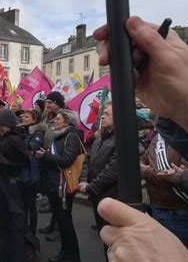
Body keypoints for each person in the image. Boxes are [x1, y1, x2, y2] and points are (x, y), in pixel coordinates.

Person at [94, 16, 188, 261]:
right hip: (158, 204)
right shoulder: (164, 130)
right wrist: (182, 107)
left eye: (107, 113)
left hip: (178, 209)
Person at [140, 118, 188, 254]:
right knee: (161, 252)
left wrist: (147, 171)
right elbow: (142, 160)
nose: (154, 122)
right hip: (157, 205)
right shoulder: (157, 138)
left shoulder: (185, 137)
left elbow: (178, 175)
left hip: (179, 210)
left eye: (156, 117)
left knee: (178, 253)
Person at [0, 109, 29, 262]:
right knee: (10, 229)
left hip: (6, 190)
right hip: (8, 189)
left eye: (1, 125)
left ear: (9, 125)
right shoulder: (14, 138)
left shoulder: (12, 141)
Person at [35, 109, 81, 262]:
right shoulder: (60, 135)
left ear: (67, 122)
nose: (55, 120)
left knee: (65, 221)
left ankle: (71, 254)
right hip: (55, 183)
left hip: (64, 184)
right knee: (62, 221)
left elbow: (67, 160)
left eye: (59, 119)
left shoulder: (71, 136)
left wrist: (46, 155)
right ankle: (66, 252)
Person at [78, 103, 117, 259]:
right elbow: (88, 160)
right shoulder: (100, 136)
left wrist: (91, 187)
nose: (102, 116)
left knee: (114, 240)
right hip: (97, 196)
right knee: (104, 237)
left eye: (107, 113)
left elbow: (113, 169)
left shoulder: (123, 138)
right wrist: (83, 181)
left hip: (113, 196)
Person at [39, 91, 66, 240]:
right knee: (52, 198)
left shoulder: (64, 117)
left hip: (58, 164)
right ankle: (53, 224)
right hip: (48, 161)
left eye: (50, 102)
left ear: (58, 103)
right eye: (46, 102)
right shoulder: (48, 117)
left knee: (59, 201)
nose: (47, 105)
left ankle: (59, 229)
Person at [20, 109, 46, 237]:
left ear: (34, 120)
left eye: (26, 116)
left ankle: (31, 233)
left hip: (32, 175)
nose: (23, 118)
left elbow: (30, 147)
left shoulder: (38, 134)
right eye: (23, 116)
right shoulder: (22, 131)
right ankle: (23, 231)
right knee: (22, 206)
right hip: (21, 174)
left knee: (31, 206)